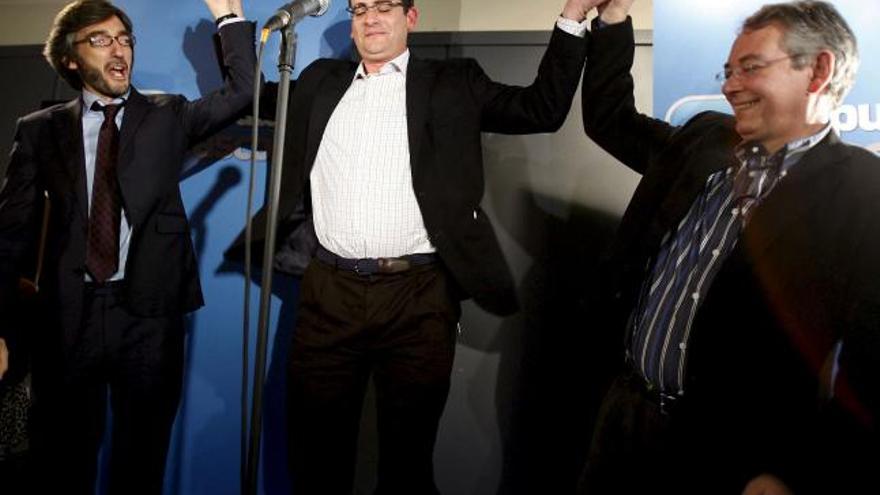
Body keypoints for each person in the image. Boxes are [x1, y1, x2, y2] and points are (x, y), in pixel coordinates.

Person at [224, 0, 603, 492]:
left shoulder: (454, 81)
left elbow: (541, 108)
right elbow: (250, 95)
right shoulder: (319, 81)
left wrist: (573, 14)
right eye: (360, 9)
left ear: (411, 17)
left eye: (384, 7)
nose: (371, 18)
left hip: (418, 298)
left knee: (407, 463)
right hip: (328, 295)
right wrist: (229, 20)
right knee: (316, 460)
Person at [577, 1, 880, 494]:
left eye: (751, 68)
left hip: (727, 457)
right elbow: (610, 119)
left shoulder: (863, 193)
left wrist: (795, 470)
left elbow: (870, 370)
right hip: (622, 417)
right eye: (729, 70)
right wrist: (610, 20)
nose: (729, 85)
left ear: (819, 70)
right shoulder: (705, 138)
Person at [0, 0, 255, 492]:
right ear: (71, 59)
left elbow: (243, 91)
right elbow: (10, 238)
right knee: (62, 460)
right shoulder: (39, 130)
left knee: (140, 463)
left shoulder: (169, 115)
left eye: (124, 39)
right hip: (66, 322)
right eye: (100, 39)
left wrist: (228, 14)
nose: (118, 49)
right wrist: (4, 329)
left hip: (148, 319)